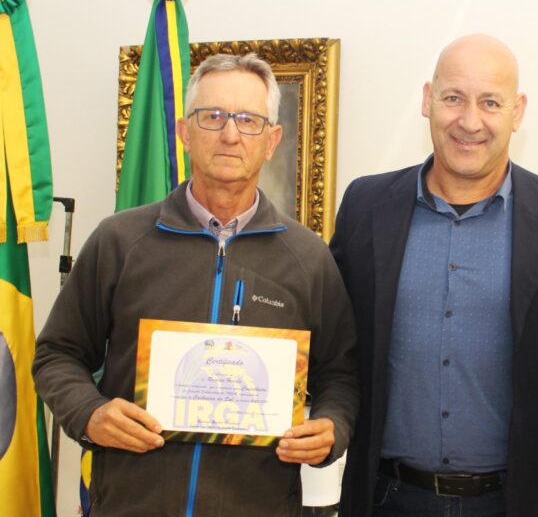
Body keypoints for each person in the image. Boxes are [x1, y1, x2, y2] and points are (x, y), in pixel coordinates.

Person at [33, 53, 359, 516]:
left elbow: (341, 376)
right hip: (130, 504)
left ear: (272, 140)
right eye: (213, 117)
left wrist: (332, 427)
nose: (230, 134)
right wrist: (89, 413)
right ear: (185, 132)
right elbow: (56, 353)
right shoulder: (120, 240)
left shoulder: (308, 258)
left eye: (248, 120)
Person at [329, 34, 538, 517]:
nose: (469, 121)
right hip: (386, 499)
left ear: (517, 111)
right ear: (427, 99)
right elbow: (336, 346)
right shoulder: (364, 207)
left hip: (520, 502)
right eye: (454, 98)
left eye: (490, 102)